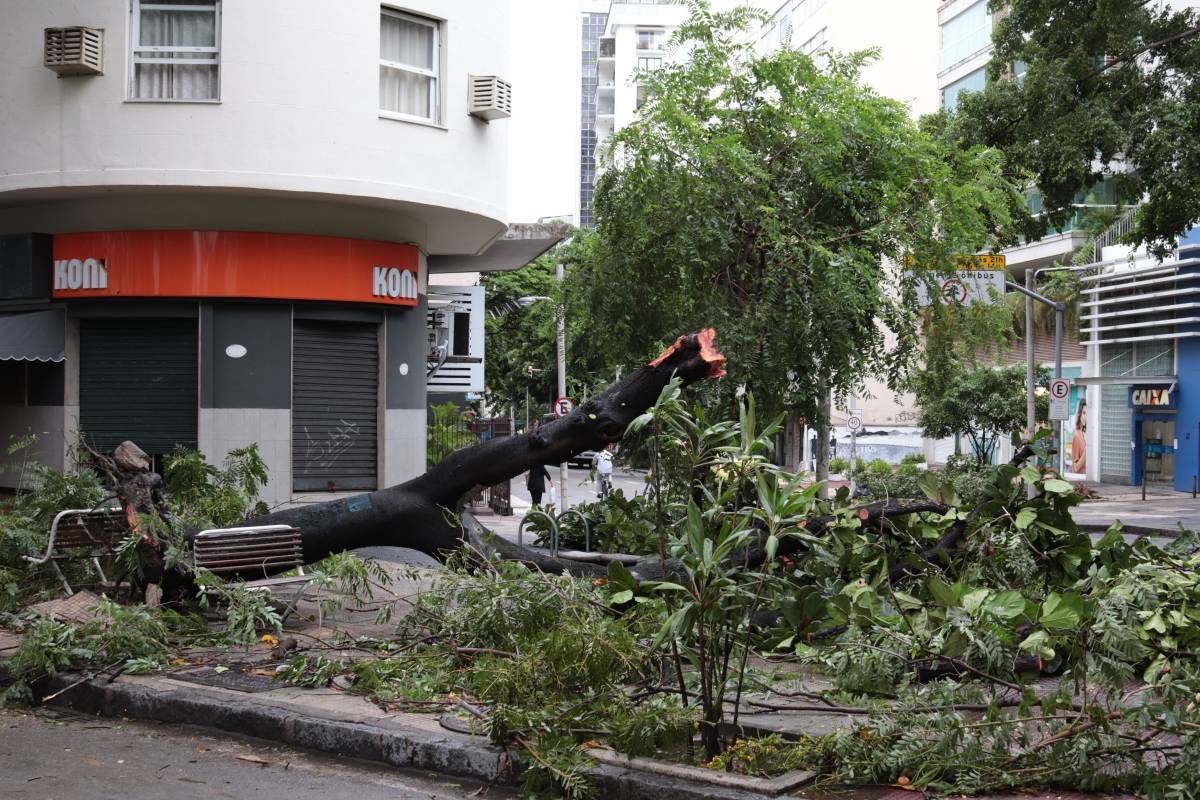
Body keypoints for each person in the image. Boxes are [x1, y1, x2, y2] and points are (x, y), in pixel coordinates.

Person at [1070, 400, 1087, 474]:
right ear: (1080, 415)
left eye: (1088, 414)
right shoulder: (1077, 436)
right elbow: (1076, 468)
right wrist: (1087, 450)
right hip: (1083, 482)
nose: (1085, 417)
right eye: (1084, 413)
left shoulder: (1096, 437)